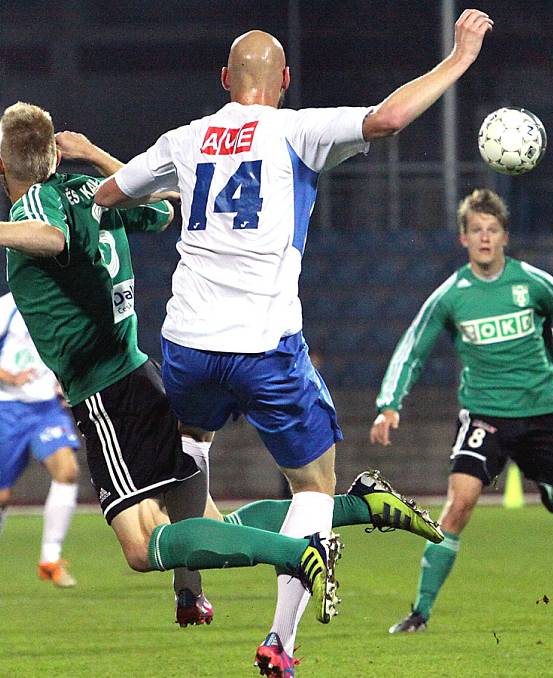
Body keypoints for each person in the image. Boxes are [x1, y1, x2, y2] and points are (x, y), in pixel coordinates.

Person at [0, 104, 439, 662]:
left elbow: (52, 236)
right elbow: (160, 206)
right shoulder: (88, 188)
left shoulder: (38, 199)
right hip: (138, 374)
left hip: (106, 391)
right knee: (205, 524)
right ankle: (359, 508)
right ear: (57, 153)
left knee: (140, 546)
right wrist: (97, 159)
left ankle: (297, 551)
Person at [94, 9, 492, 675]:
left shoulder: (186, 139)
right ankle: (280, 640)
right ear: (283, 80)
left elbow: (111, 194)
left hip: (188, 343)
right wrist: (458, 59)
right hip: (264, 345)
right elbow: (388, 119)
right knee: (313, 483)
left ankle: (190, 585)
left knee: (193, 439)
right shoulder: (294, 128)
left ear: (225, 79)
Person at [369, 188, 553, 634]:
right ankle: (420, 612)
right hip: (484, 416)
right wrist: (389, 406)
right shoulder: (451, 296)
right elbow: (411, 351)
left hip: (543, 417)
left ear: (505, 236)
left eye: (493, 230)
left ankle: (552, 488)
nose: (485, 238)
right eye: (476, 230)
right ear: (463, 238)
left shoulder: (534, 284)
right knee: (459, 505)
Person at [0, 292, 81, 598]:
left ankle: (51, 559)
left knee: (67, 471)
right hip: (6, 409)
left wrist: (65, 382)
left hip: (46, 408)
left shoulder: (60, 304)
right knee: (2, 495)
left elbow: (64, 351)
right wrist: (9, 377)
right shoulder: (3, 308)